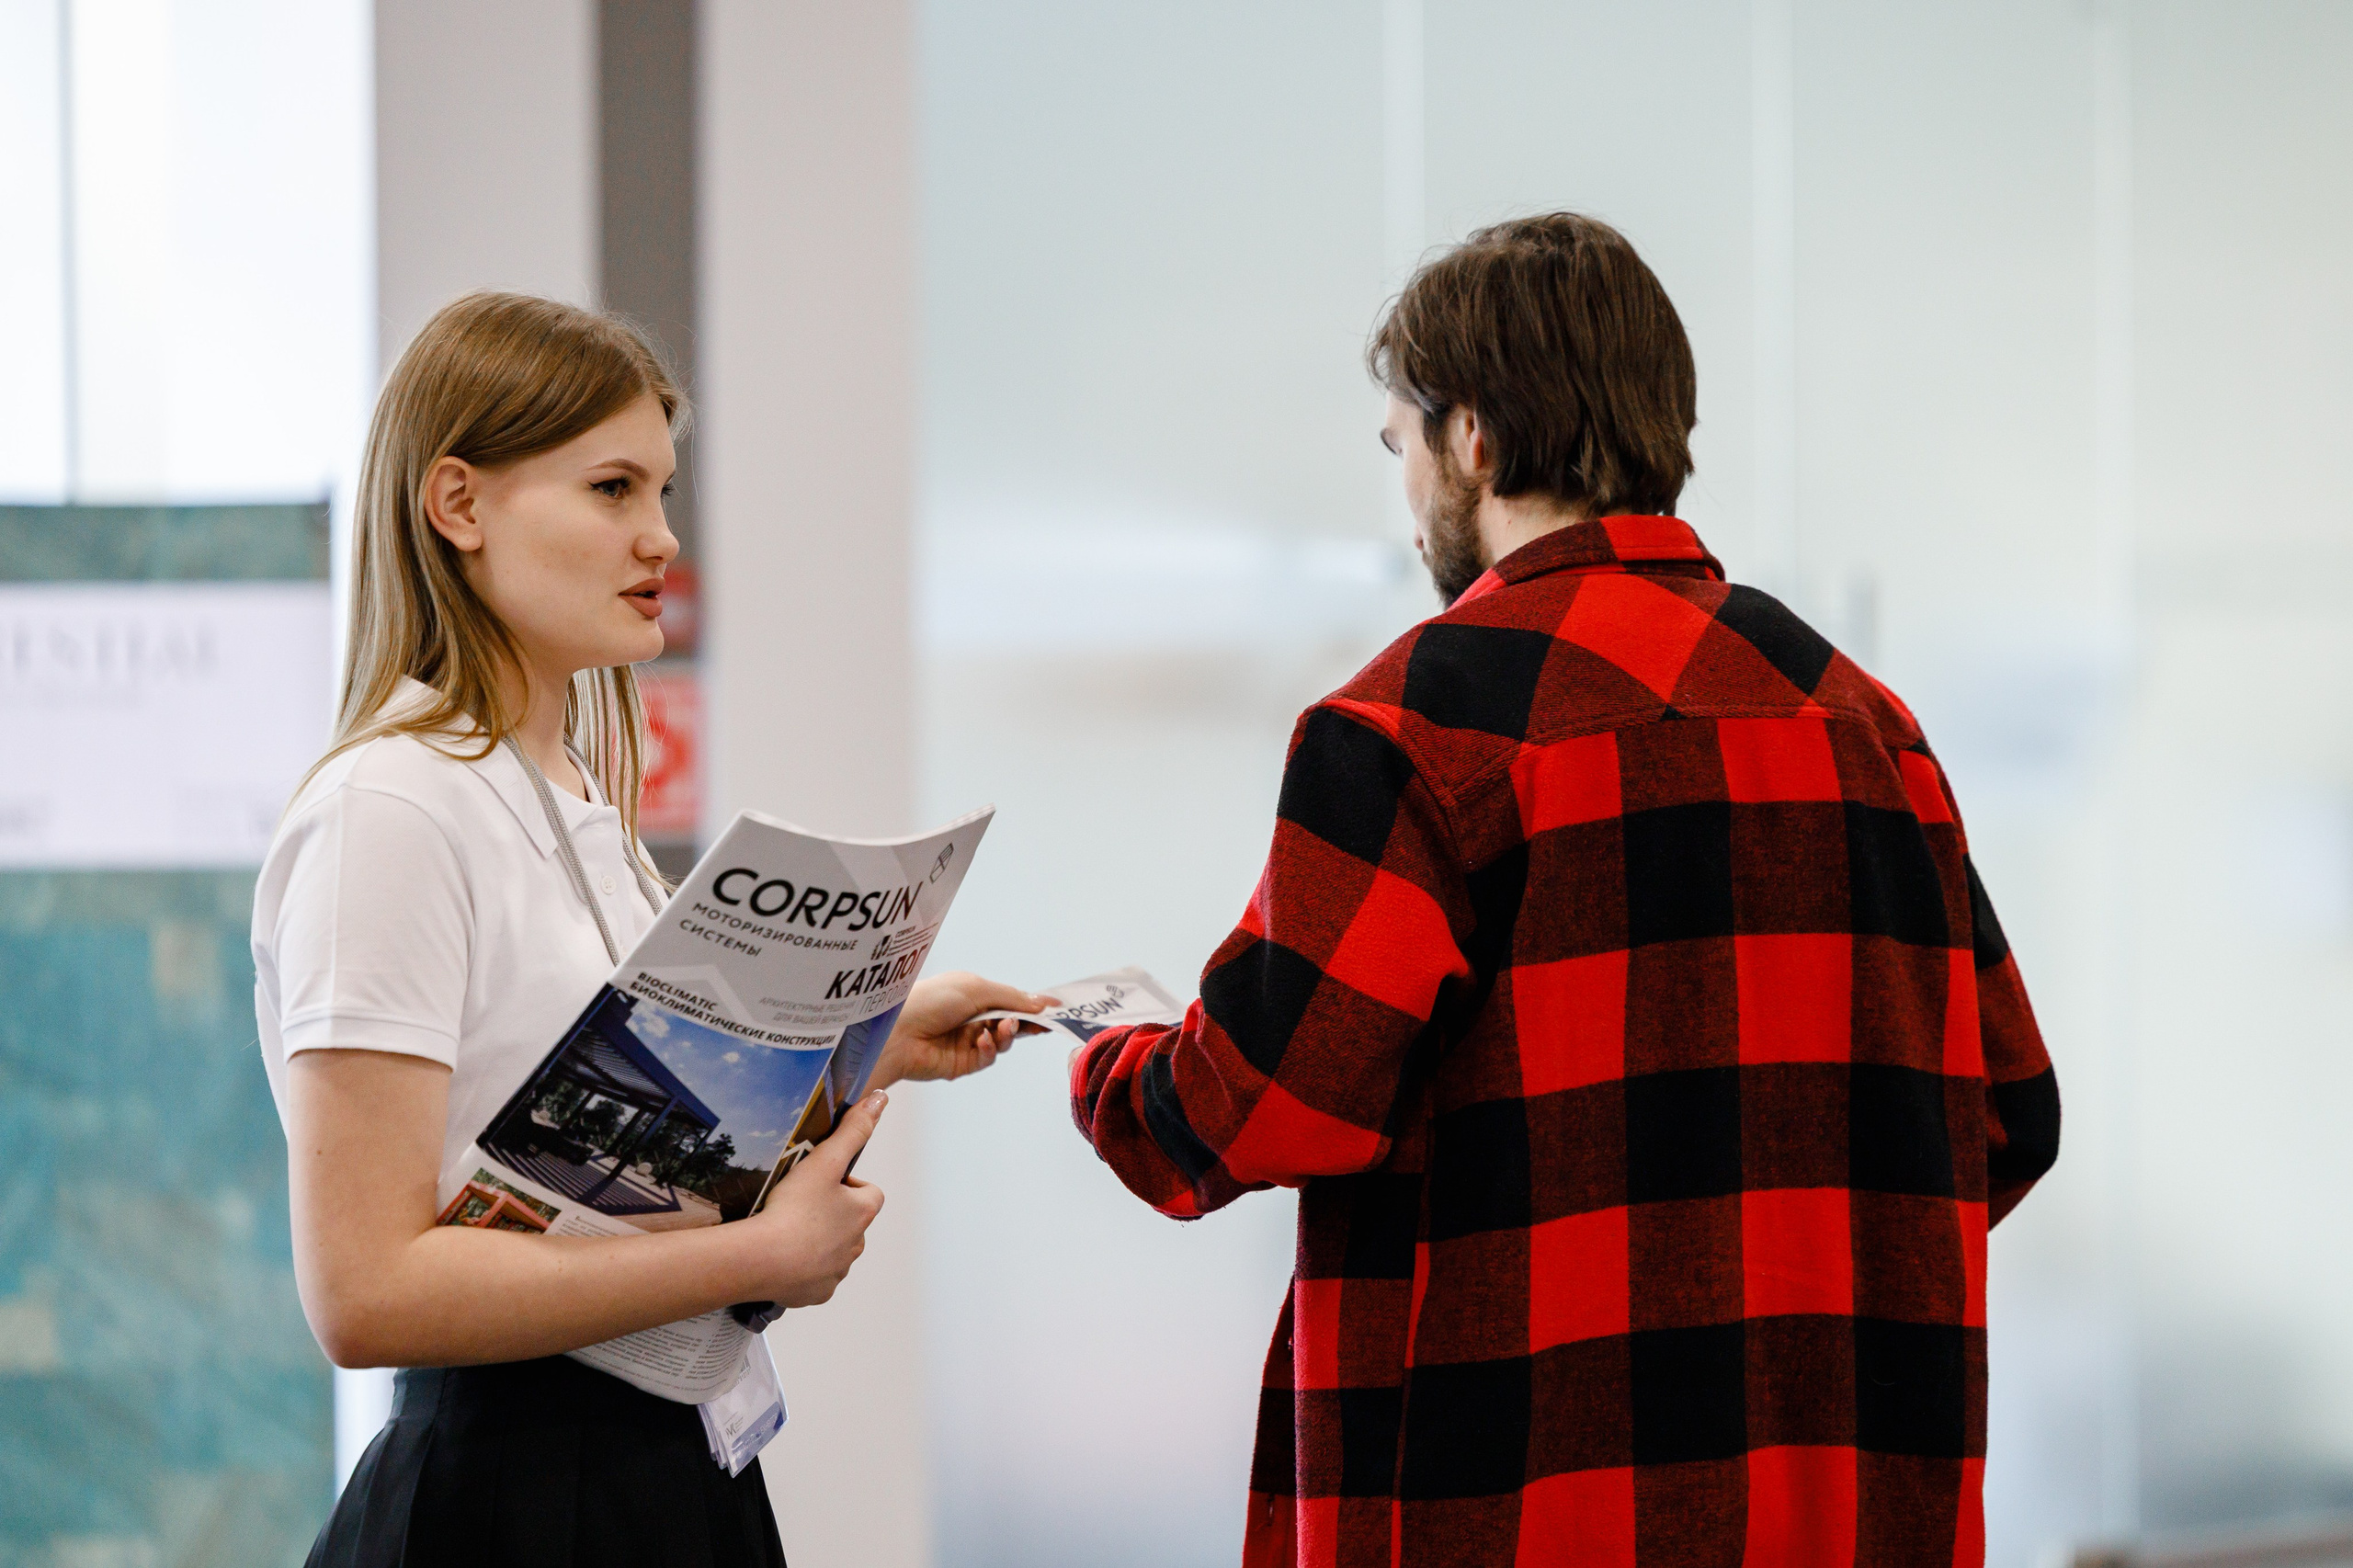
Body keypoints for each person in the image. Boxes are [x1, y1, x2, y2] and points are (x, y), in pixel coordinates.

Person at [1068, 214, 2062, 1566]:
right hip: (1844, 1511)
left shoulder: (1412, 723)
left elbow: (1253, 1105)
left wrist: (1101, 1053)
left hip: (1521, 1506)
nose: (1409, 485)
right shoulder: (1864, 721)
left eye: (1401, 446)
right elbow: (2011, 1113)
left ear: (1472, 436)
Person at [256, 292, 1047, 1568]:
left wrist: (872, 1035)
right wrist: (753, 1251)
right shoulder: (388, 811)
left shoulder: (564, 793)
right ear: (457, 505)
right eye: (613, 488)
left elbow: (603, 1119)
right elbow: (366, 1290)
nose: (661, 538)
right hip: (511, 1495)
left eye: (663, 492)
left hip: (663, 1468)